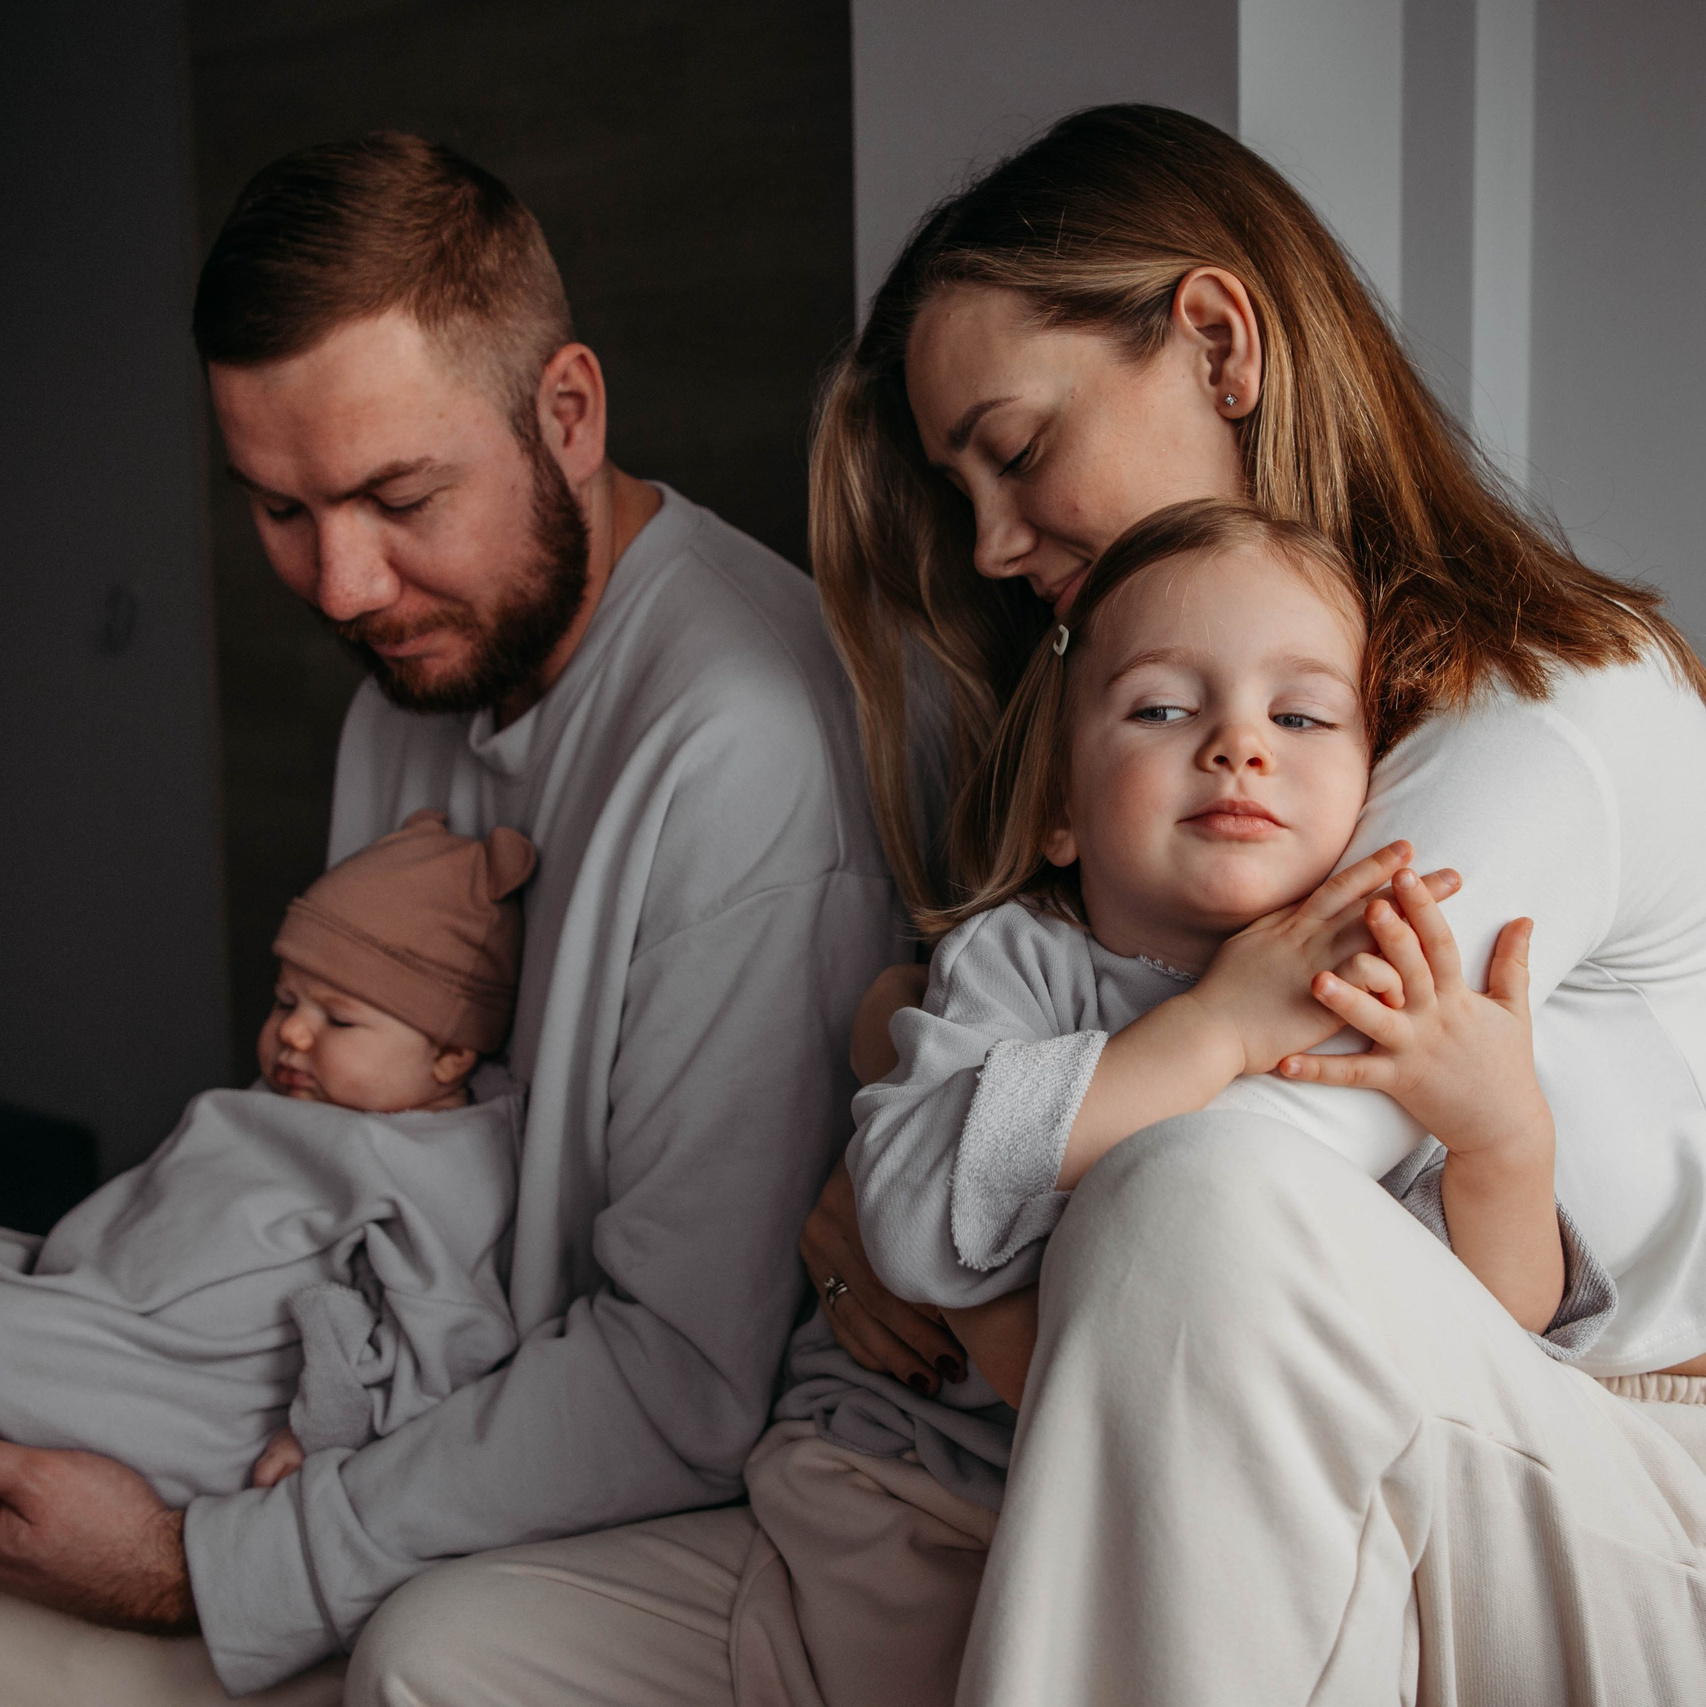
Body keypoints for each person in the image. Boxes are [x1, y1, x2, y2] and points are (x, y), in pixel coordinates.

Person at [350, 104, 1706, 1706]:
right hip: (1105, 1448)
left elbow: (1241, 1208)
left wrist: (928, 1207)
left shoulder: (1537, 708)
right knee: (445, 1656)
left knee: (1197, 1194)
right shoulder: (1127, 805)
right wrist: (902, 1077)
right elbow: (1018, 1058)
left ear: (1216, 343)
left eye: (1018, 446)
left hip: (1584, 1485)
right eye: (958, 483)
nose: (991, 542)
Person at [0, 132, 899, 1704]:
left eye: (397, 495)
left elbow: (686, 1376)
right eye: (278, 509)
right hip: (376, 1364)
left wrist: (193, 1563)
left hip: (624, 1475)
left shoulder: (744, 743)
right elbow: (364, 1149)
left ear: (566, 413)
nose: (340, 583)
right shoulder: (417, 682)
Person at [851, 498, 1600, 1428]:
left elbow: (1498, 1335)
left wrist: (1502, 1141)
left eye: (1301, 715)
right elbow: (911, 1217)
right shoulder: (1019, 962)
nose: (1240, 745)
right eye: (1161, 707)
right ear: (1060, 806)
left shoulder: (1376, 997)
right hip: (930, 1480)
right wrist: (1218, 1027)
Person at [0, 810, 534, 1504]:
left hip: (195, 1389)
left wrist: (325, 1432)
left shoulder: (435, 1166)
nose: (294, 1034)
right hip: (103, 1304)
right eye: (286, 1001)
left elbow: (444, 1347)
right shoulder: (294, 1105)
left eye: (338, 1019)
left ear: (451, 1054)